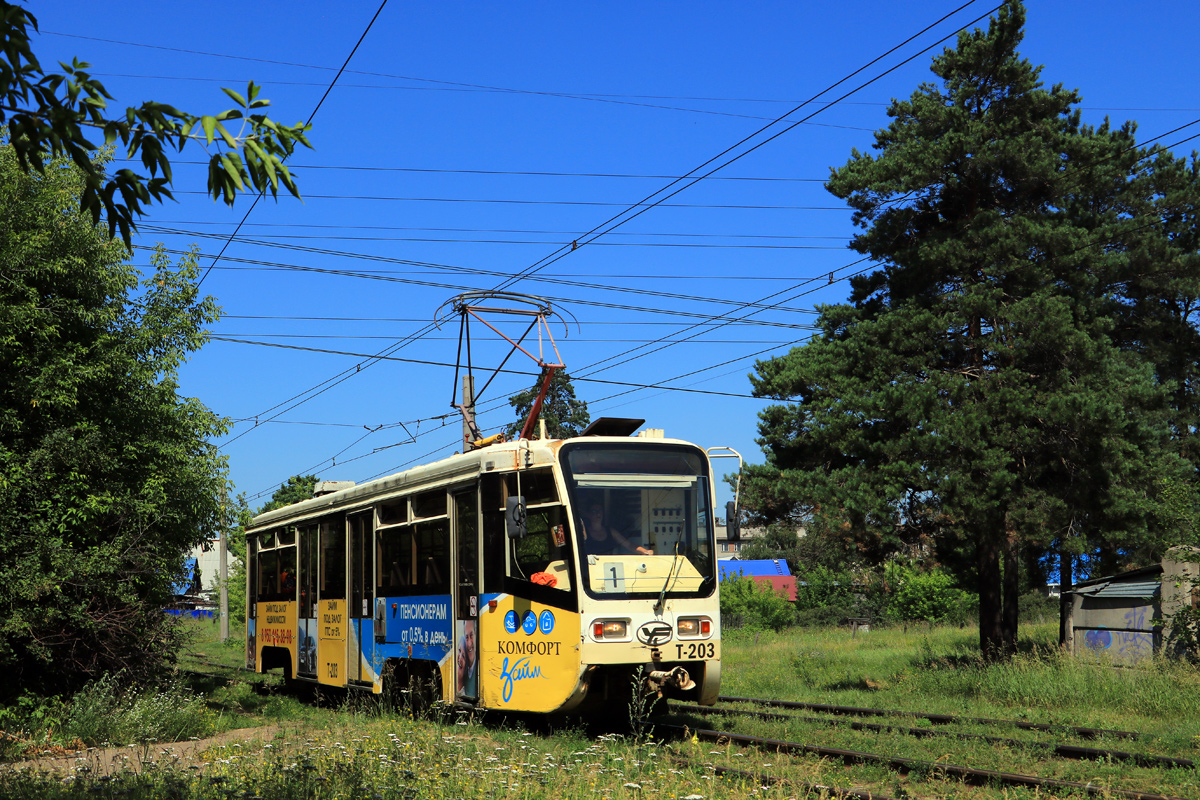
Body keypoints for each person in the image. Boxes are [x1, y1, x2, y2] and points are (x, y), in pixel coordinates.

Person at [581, 502, 651, 555]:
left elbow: (629, 545)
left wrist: (645, 551)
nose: (598, 514)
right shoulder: (584, 532)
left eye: (600, 511)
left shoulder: (610, 531)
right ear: (588, 514)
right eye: (594, 511)